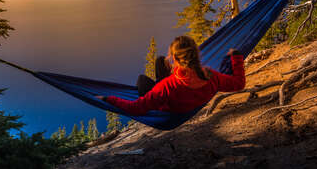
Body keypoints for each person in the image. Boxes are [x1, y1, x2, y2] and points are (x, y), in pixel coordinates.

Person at [97, 35, 245, 116]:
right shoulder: (211, 76)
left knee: (142, 80)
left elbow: (136, 108)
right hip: (187, 98)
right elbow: (239, 84)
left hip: (172, 105)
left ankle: (152, 83)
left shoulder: (167, 86)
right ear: (196, 54)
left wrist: (108, 98)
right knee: (160, 61)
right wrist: (236, 56)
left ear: (174, 58)